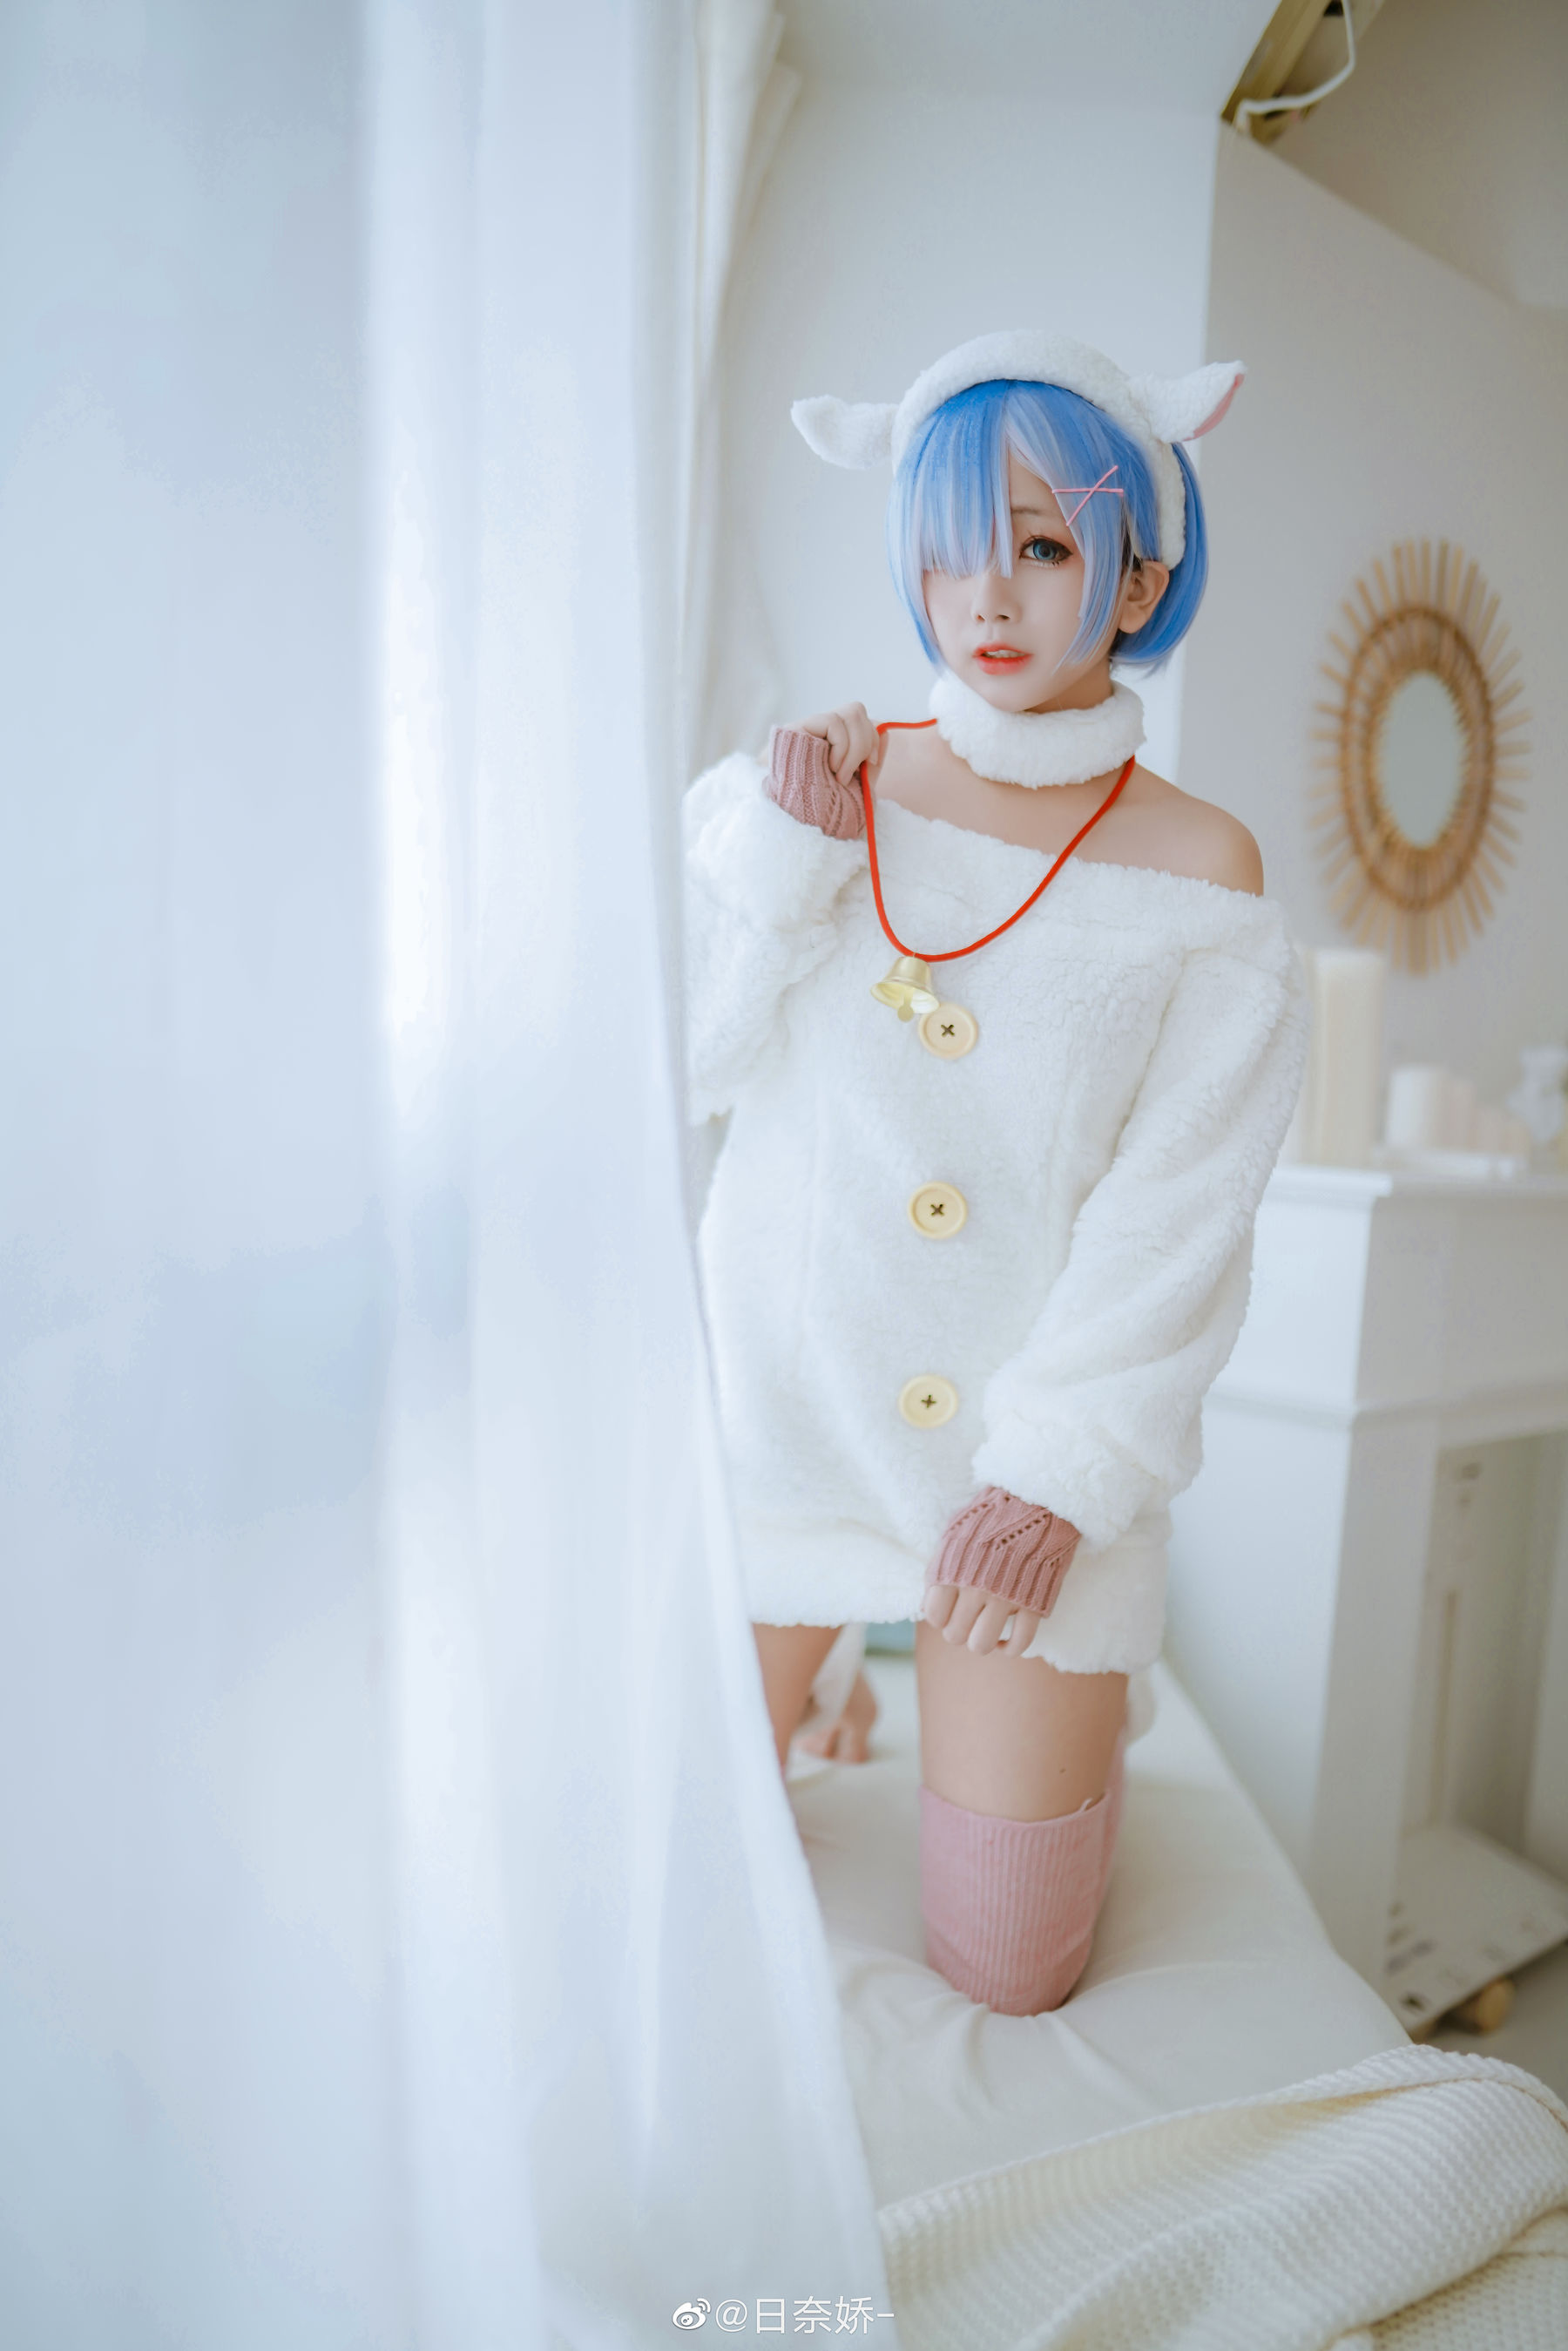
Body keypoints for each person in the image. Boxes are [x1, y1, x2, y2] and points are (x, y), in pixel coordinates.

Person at [682, 331, 1308, 2015]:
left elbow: (1180, 1218)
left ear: (1140, 573)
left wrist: (1059, 1478)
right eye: (951, 548)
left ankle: (1032, 1700)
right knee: (661, 1866)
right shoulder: (823, 788)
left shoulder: (1204, 873)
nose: (989, 597)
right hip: (779, 1432)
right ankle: (826, 1674)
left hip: (1013, 1487)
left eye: (1040, 544)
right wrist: (782, 863)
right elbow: (678, 1065)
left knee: (1013, 1966)